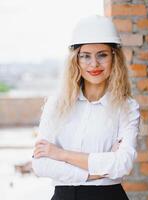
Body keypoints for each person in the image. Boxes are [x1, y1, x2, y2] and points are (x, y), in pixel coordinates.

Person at [31, 15, 140, 200]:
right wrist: (95, 173)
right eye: (85, 56)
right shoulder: (56, 104)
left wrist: (60, 154)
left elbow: (123, 164)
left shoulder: (127, 108)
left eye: (102, 55)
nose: (94, 64)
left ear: (115, 58)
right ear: (76, 60)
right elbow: (40, 165)